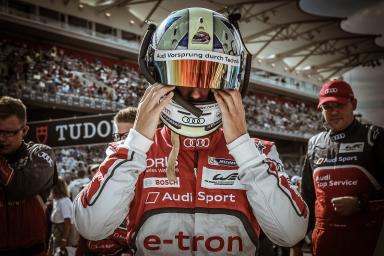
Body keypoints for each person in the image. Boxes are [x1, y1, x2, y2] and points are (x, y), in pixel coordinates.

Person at [73, 8, 308, 255]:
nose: (197, 93)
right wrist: (136, 142)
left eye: (211, 77)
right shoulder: (133, 153)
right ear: (158, 76)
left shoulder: (259, 153)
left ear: (233, 81)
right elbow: (91, 227)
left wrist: (242, 147)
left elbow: (290, 233)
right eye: (184, 76)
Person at [300, 80, 384, 256]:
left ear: (353, 104)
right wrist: (296, 243)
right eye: (327, 107)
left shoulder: (374, 137)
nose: (334, 112)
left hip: (368, 243)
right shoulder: (314, 144)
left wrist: (361, 203)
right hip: (324, 245)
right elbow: (306, 198)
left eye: (339, 105)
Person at [0, 96, 56, 255]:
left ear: (24, 130)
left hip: (32, 250)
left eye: (9, 133)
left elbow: (20, 187)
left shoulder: (41, 153)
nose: (1, 138)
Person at [48, 177, 73, 256]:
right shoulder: (57, 199)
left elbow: (67, 221)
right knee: (52, 251)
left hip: (61, 229)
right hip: (56, 228)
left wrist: (64, 239)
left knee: (59, 252)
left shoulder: (64, 201)